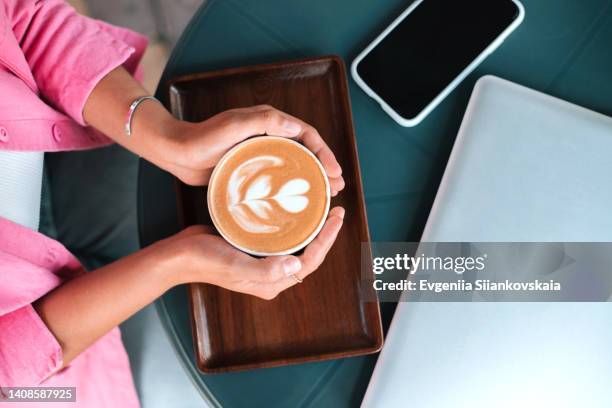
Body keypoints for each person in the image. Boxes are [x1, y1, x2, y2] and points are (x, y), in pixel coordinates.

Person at [0, 1, 345, 407]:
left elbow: (20, 19)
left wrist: (168, 139)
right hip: (62, 372)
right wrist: (177, 262)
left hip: (39, 136)